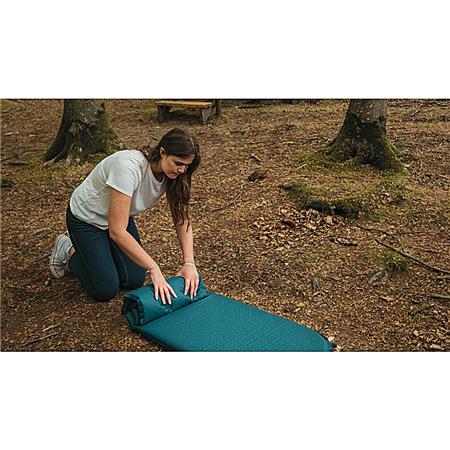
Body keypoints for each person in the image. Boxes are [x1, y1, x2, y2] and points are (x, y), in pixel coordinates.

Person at [49, 128, 201, 305]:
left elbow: (182, 219)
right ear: (162, 152)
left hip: (118, 216)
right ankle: (68, 250)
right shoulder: (128, 167)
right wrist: (154, 268)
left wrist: (189, 263)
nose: (182, 170)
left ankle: (101, 255)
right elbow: (117, 232)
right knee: (105, 289)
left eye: (187, 165)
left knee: (134, 279)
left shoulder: (175, 175)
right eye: (178, 163)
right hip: (87, 219)